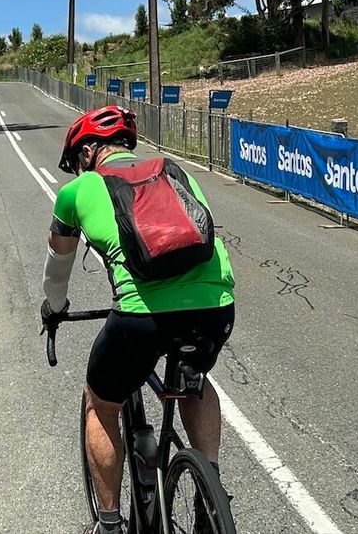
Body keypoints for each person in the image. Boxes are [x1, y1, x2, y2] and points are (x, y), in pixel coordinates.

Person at [41, 105, 236, 534]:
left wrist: (53, 309)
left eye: (78, 161)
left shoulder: (77, 192)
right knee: (195, 379)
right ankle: (211, 494)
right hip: (216, 307)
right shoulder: (175, 171)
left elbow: (57, 272)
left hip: (141, 320)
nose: (79, 170)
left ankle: (109, 525)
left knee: (100, 402)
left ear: (88, 151)